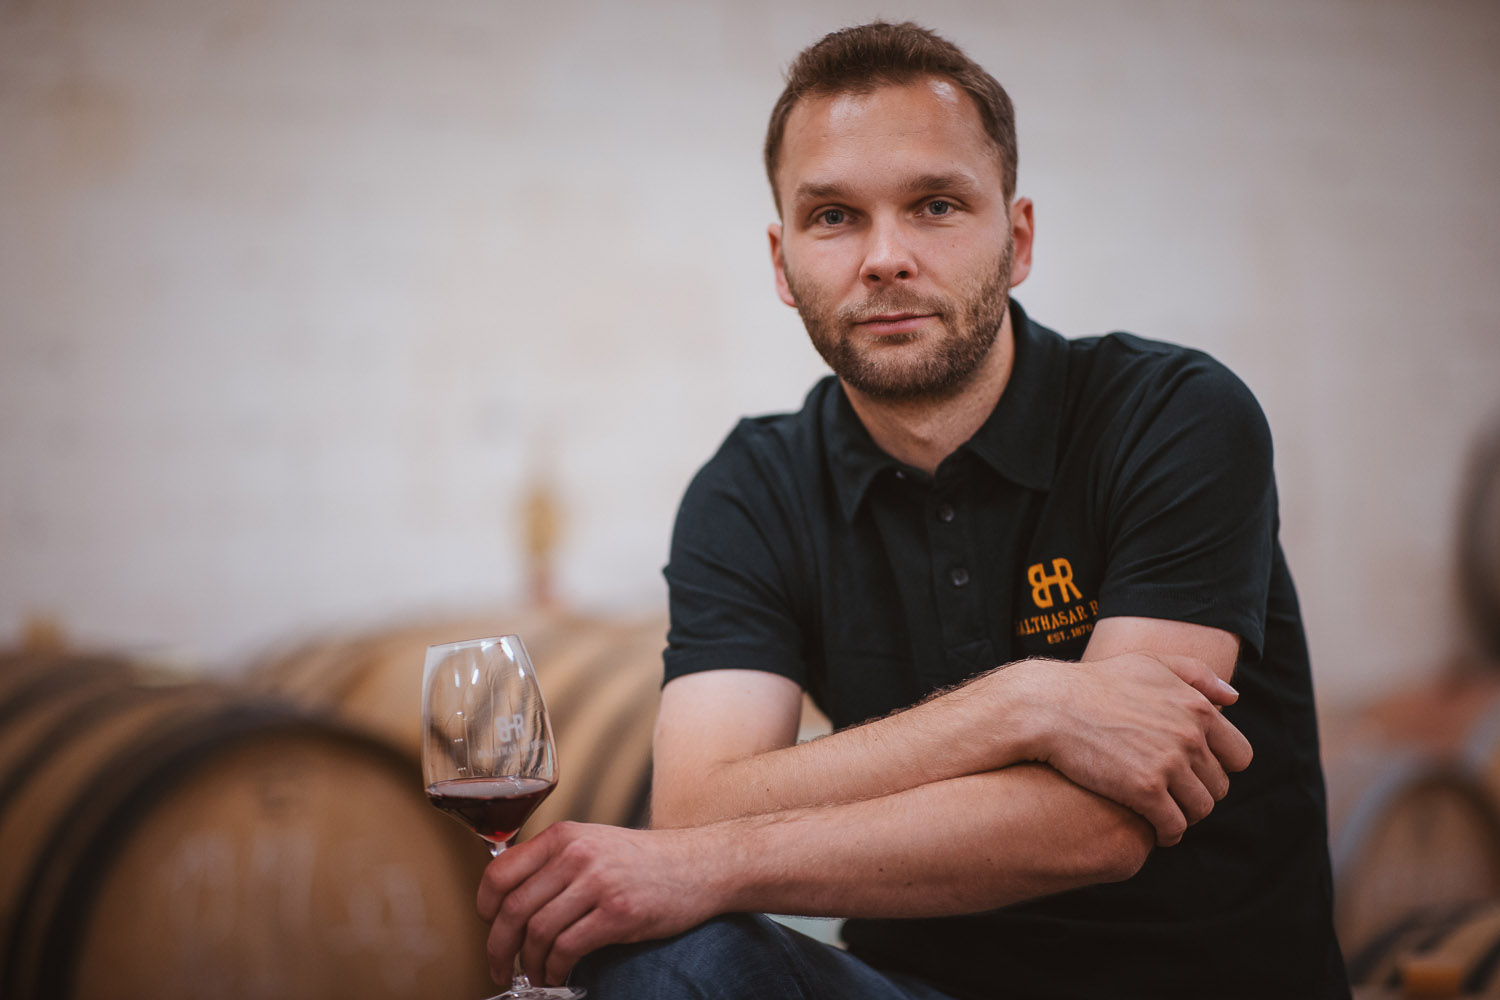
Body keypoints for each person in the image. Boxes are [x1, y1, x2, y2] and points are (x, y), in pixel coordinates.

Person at [476, 21, 1349, 999]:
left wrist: (717, 859)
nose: (885, 257)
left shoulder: (1172, 416)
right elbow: (695, 801)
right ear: (781, 262)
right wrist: (1029, 704)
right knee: (652, 961)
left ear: (1016, 241)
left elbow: (1102, 823)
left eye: (935, 205)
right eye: (835, 216)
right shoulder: (752, 487)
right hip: (917, 990)